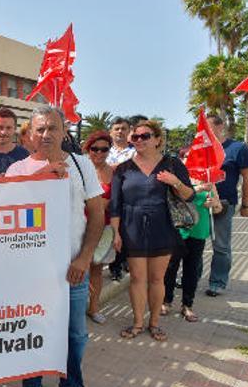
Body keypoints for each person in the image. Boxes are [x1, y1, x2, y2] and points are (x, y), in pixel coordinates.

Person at [6, 105, 104, 387]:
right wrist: (42, 176)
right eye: (40, 129)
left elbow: (98, 214)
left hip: (72, 269)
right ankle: (31, 385)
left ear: (64, 131)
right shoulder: (17, 170)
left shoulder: (83, 165)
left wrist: (85, 257)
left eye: (52, 128)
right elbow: (7, 216)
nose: (46, 134)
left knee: (75, 334)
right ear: (31, 134)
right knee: (33, 329)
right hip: (31, 274)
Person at [110, 120, 194, 342]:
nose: (139, 140)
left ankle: (154, 323)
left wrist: (174, 182)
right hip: (132, 227)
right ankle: (138, 322)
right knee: (137, 278)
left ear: (157, 139)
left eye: (144, 136)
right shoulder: (123, 169)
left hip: (163, 225)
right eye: (135, 137)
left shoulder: (173, 164)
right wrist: (116, 233)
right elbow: (115, 205)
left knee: (157, 279)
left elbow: (189, 195)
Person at [205, 113, 248, 297]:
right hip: (198, 203)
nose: (204, 132)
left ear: (220, 127)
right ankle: (189, 278)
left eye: (208, 127)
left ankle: (217, 282)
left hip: (224, 204)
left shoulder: (238, 148)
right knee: (192, 244)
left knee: (221, 246)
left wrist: (246, 204)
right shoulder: (198, 149)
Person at [163, 170, 222, 322]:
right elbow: (175, 196)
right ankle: (166, 301)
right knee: (170, 267)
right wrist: (199, 188)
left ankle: (187, 305)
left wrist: (213, 203)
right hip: (178, 229)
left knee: (192, 269)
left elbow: (218, 209)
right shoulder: (180, 178)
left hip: (198, 230)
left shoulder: (209, 181)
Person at [81, 131, 114, 325]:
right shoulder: (79, 168)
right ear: (88, 148)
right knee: (77, 268)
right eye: (95, 149)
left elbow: (110, 203)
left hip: (103, 227)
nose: (99, 153)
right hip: (79, 225)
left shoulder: (114, 172)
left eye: (104, 149)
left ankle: (93, 309)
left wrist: (93, 202)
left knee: (96, 269)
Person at [106, 117, 133, 281]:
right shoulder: (103, 151)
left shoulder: (135, 152)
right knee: (110, 232)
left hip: (128, 198)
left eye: (123, 128)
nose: (120, 132)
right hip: (108, 197)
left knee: (125, 231)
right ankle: (114, 266)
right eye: (117, 128)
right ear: (111, 132)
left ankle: (124, 262)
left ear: (129, 131)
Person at [0, 107, 29, 174]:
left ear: (15, 129)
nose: (3, 132)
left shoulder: (24, 154)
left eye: (8, 128)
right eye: (0, 127)